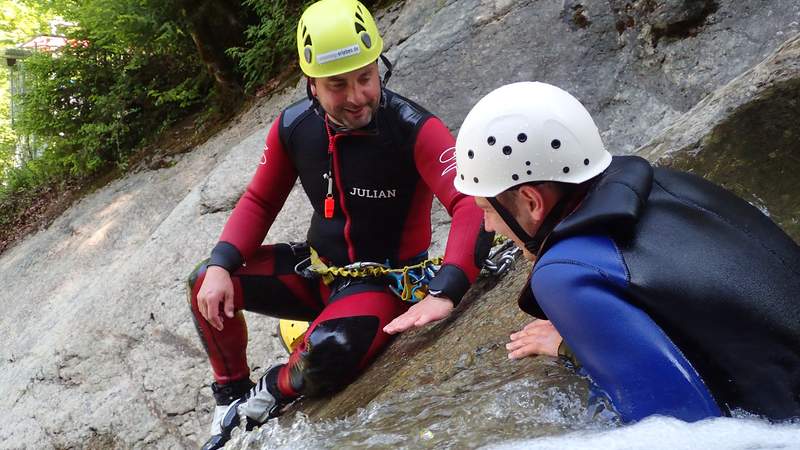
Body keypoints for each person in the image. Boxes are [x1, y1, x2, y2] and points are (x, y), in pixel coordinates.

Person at [186, 0, 489, 448]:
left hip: (384, 285)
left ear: (377, 65)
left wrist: (447, 290)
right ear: (312, 84)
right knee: (203, 283)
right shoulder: (294, 126)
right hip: (319, 273)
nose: (356, 97)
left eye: (365, 77)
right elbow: (259, 200)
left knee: (329, 350)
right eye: (337, 85)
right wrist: (220, 265)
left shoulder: (413, 128)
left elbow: (471, 204)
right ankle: (229, 396)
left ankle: (268, 391)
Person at [449, 81, 800, 423]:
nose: (489, 227)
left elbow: (677, 425)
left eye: (489, 210)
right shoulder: (662, 183)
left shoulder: (566, 275)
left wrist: (577, 347)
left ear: (531, 201)